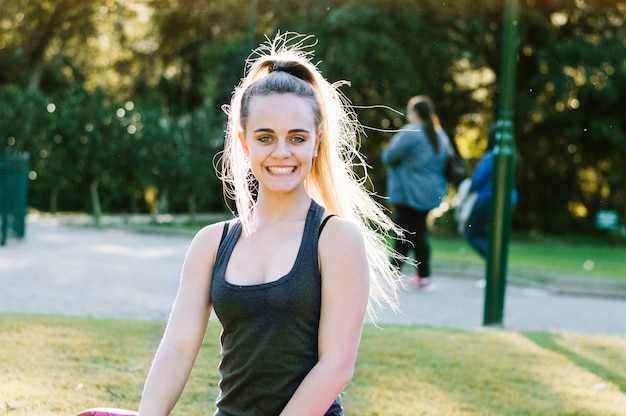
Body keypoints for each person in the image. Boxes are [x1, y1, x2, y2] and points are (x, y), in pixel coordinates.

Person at [137, 33, 403, 416]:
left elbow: (336, 368)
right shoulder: (211, 243)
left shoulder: (336, 239)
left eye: (297, 137)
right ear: (245, 143)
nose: (282, 153)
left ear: (317, 142)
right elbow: (177, 348)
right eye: (266, 138)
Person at [381, 95, 451, 291]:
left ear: (416, 113)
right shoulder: (440, 134)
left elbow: (388, 156)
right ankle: (414, 274)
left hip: (409, 192)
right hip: (431, 192)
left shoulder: (411, 132)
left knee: (408, 233)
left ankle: (399, 273)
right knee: (413, 232)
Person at [465, 124, 518, 262]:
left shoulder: (491, 157)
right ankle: (496, 267)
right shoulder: (513, 156)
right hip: (510, 200)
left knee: (473, 234)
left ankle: (494, 263)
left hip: (487, 199)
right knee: (495, 236)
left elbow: (477, 180)